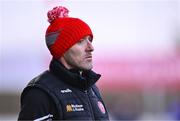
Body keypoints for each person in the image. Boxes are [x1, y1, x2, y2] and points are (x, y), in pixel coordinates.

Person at [18, 6, 109, 121]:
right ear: (62, 49)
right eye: (80, 41)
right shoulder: (40, 93)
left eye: (89, 40)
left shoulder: (91, 88)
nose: (91, 47)